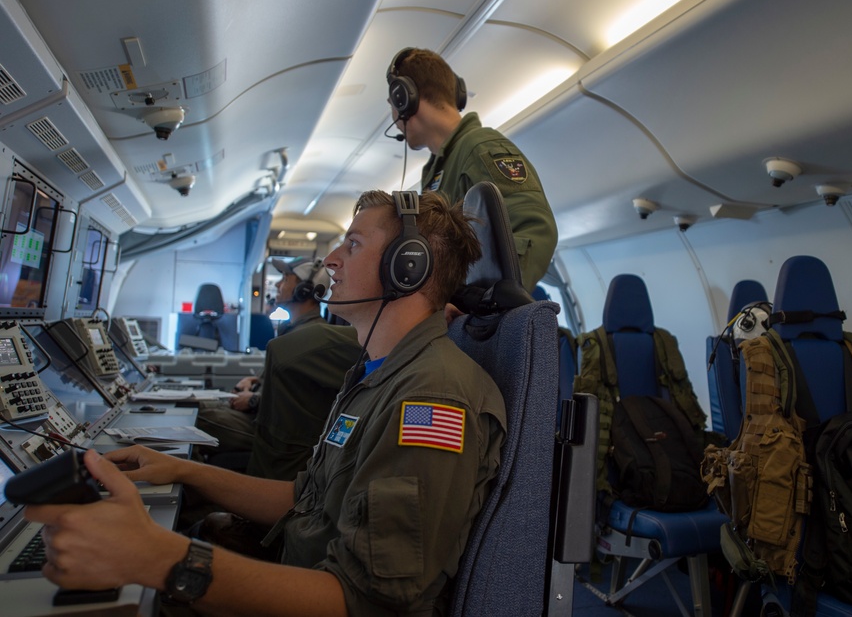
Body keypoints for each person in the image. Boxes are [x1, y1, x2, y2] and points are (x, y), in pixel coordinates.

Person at [27, 190, 506, 616]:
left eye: (353, 245)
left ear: (408, 267)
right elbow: (307, 499)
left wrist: (158, 558)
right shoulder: (374, 375)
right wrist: (181, 471)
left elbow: (364, 600)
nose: (332, 260)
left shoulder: (432, 400)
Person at [387, 46, 557, 290]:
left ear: (405, 98)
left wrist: (483, 305)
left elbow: (534, 229)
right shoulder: (438, 168)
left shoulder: (480, 147)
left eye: (391, 104)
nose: (393, 117)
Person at [196, 257, 345, 459]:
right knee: (202, 405)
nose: (277, 284)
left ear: (305, 290)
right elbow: (287, 380)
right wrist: (254, 381)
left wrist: (254, 400)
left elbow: (301, 401)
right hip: (260, 417)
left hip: (271, 431)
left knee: (199, 415)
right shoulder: (294, 330)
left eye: (285, 278)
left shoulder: (312, 336)